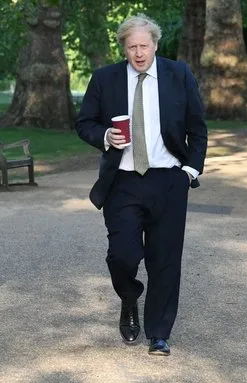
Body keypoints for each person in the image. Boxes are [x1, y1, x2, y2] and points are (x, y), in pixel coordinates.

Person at [76, 14, 208, 356]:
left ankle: (159, 333)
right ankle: (129, 296)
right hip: (122, 181)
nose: (138, 53)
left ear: (155, 44)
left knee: (164, 260)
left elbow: (198, 127)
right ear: (124, 47)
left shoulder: (178, 75)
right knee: (123, 254)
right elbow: (84, 122)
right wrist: (104, 135)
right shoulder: (105, 79)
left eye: (144, 46)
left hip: (168, 180)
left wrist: (190, 171)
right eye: (132, 46)